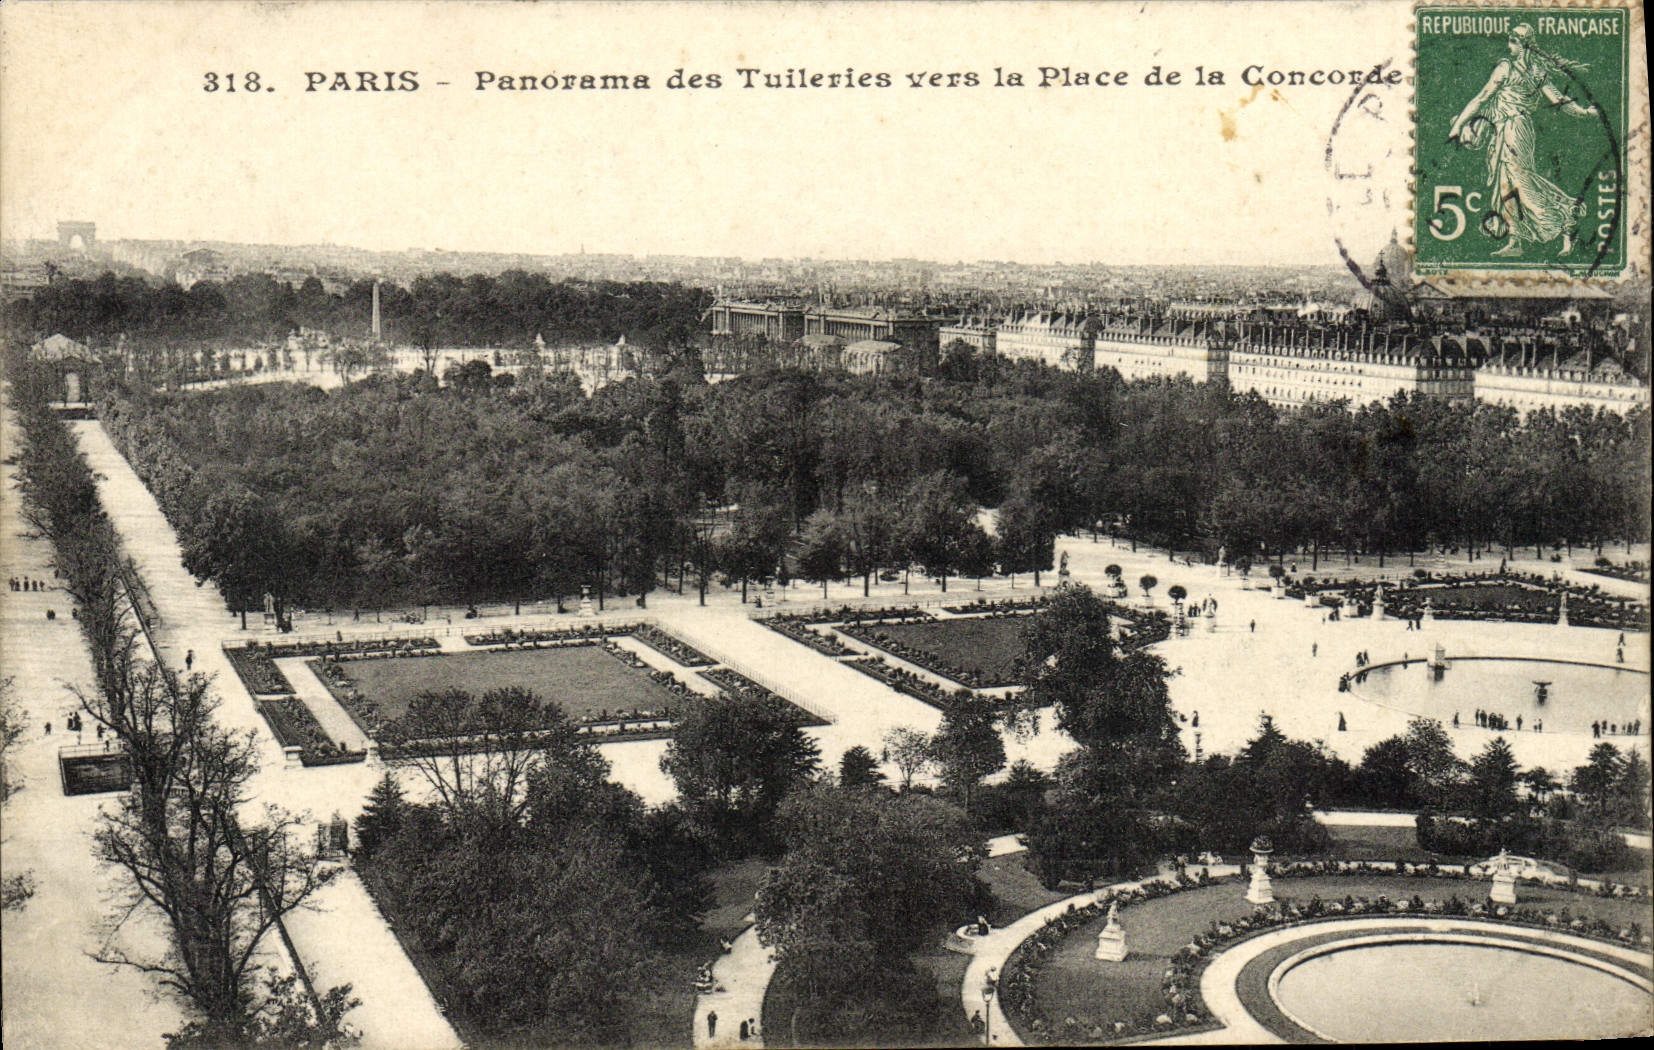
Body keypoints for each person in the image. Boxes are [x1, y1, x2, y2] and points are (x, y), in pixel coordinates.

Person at [1449, 24, 1599, 258]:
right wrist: (1584, 112)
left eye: (1512, 41)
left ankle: (1567, 216)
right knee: (1506, 185)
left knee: (1522, 184)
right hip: (1510, 129)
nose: (1509, 46)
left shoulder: (1507, 68)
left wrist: (1458, 124)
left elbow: (1482, 97)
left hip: (1514, 129)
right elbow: (1561, 101)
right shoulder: (1537, 71)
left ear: (1523, 44)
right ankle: (1516, 240)